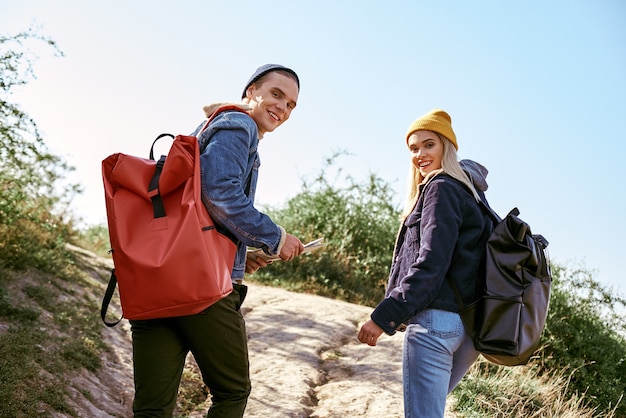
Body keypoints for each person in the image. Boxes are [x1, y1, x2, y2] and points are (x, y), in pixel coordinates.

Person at [130, 64, 305, 417]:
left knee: (153, 408)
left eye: (290, 105)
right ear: (251, 91)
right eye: (276, 94)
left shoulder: (213, 127)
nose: (282, 109)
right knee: (232, 392)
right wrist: (277, 237)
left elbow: (198, 210)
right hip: (200, 286)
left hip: (158, 279)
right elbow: (220, 193)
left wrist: (241, 253)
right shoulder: (240, 126)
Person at [357, 109, 493, 417]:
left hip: (435, 326)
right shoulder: (472, 194)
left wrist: (383, 318)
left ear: (447, 147)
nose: (420, 154)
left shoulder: (441, 188)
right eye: (413, 148)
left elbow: (431, 262)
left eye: (429, 144)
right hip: (468, 330)